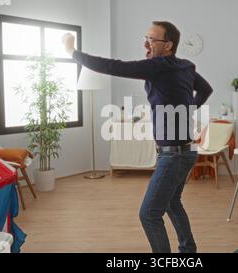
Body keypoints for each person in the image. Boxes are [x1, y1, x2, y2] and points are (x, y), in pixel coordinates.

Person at [63, 21, 213, 253]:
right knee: (173, 203)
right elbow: (206, 90)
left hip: (173, 156)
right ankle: (188, 252)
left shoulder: (158, 66)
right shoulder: (185, 66)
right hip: (187, 151)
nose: (146, 43)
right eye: (146, 37)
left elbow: (113, 67)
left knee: (149, 214)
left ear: (168, 45)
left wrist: (73, 52)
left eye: (152, 39)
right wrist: (188, 110)